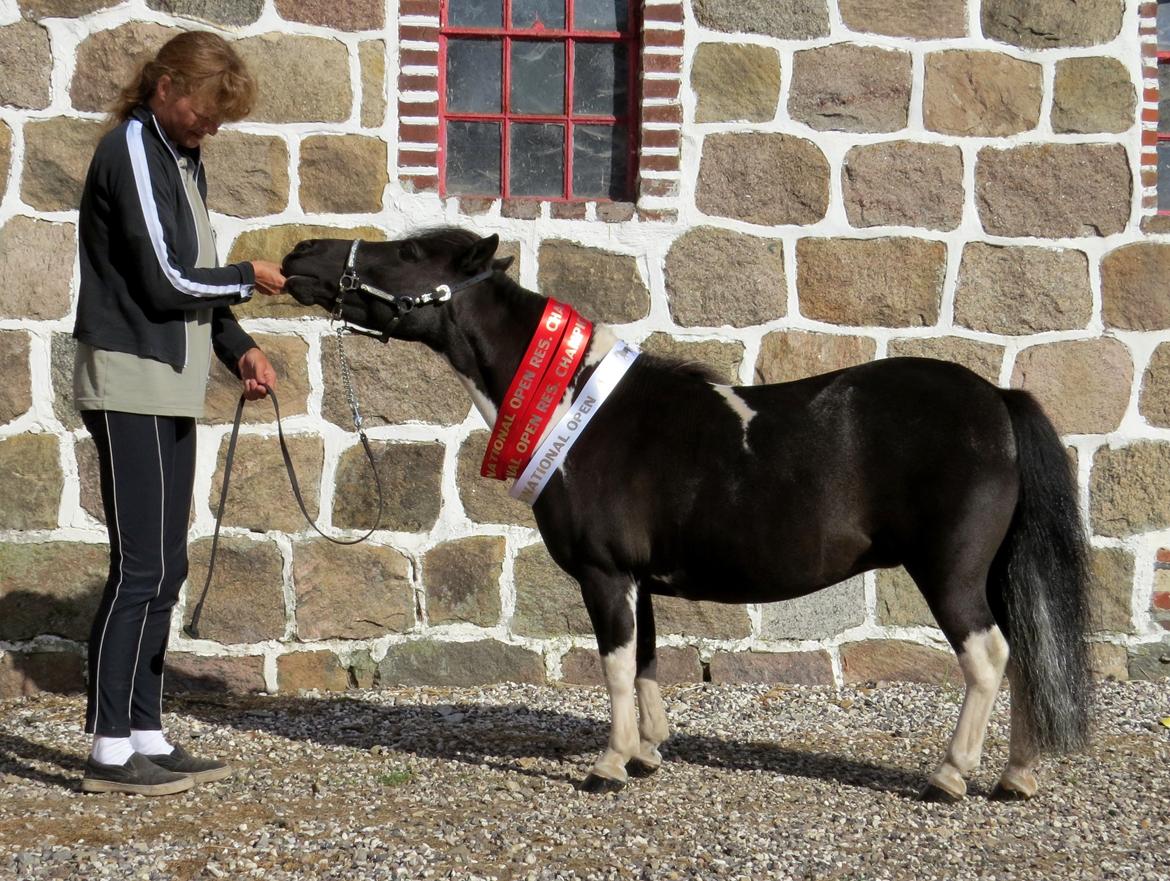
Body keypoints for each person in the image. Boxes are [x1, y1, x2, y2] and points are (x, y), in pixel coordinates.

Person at [71, 31, 286, 796]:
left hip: (173, 380)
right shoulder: (131, 146)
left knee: (169, 566)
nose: (211, 127)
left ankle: (146, 733)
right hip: (129, 378)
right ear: (165, 86)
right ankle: (106, 750)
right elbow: (167, 280)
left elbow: (188, 279)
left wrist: (240, 348)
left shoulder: (180, 155)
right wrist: (243, 277)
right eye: (205, 111)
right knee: (141, 567)